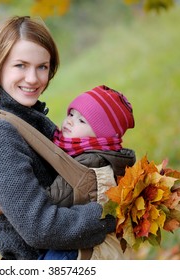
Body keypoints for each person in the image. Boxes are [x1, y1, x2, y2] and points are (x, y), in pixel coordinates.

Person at [0, 16, 116, 260]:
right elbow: (40, 228)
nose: (33, 79)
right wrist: (114, 213)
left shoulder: (32, 119)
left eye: (42, 67)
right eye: (20, 66)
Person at [39, 85, 136, 260]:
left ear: (101, 136)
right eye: (71, 114)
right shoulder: (85, 153)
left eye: (81, 121)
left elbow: (52, 202)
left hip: (79, 252)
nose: (70, 121)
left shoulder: (88, 164)